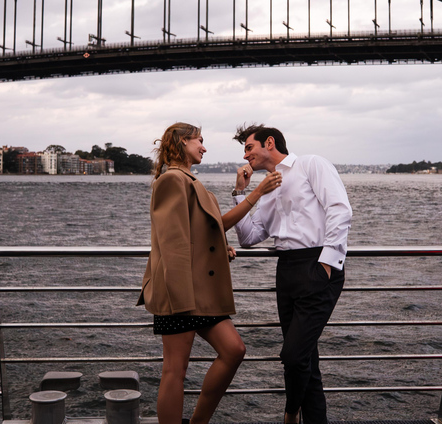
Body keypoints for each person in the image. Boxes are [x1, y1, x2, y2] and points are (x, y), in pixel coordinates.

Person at [137, 122, 282, 424]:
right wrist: (256, 193)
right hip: (181, 292)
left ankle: (198, 421)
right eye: (198, 141)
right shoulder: (172, 181)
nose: (204, 147)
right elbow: (173, 242)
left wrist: (218, 244)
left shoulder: (188, 180)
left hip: (199, 291)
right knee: (175, 371)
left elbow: (208, 228)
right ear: (181, 143)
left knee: (234, 350)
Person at [230, 123, 352, 424]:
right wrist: (241, 193)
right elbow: (248, 237)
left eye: (249, 147)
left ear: (269, 143)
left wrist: (326, 264)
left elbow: (340, 209)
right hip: (286, 271)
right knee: (306, 360)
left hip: (316, 266)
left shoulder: (311, 164)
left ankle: (290, 413)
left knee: (294, 355)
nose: (246, 156)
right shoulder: (267, 189)